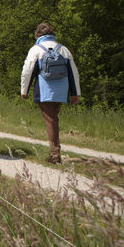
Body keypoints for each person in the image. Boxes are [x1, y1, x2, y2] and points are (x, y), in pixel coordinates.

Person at [21, 22, 80, 164]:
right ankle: (55, 151)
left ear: (37, 35)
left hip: (44, 89)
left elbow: (27, 71)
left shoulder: (36, 49)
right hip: (62, 90)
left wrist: (24, 90)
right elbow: (73, 72)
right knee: (53, 119)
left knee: (51, 121)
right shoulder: (63, 49)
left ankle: (54, 155)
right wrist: (75, 93)